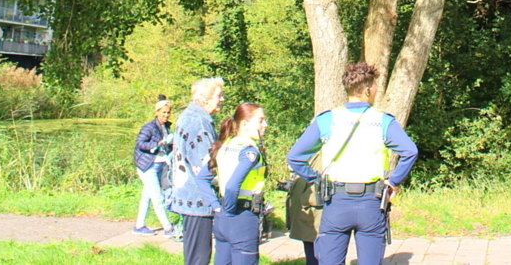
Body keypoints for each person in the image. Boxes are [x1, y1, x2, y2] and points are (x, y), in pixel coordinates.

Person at [286, 63, 418, 265]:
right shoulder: (383, 121)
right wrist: (393, 182)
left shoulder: (328, 119)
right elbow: (410, 152)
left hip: (336, 201)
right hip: (371, 203)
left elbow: (295, 157)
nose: (375, 91)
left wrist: (316, 179)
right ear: (366, 90)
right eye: (374, 87)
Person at [196, 103, 269, 265]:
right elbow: (231, 185)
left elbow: (201, 179)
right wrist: (229, 212)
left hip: (222, 218)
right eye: (261, 120)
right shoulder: (249, 150)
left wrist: (217, 207)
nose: (265, 125)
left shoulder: (226, 144)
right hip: (242, 217)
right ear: (245, 124)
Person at [169, 77, 225, 265]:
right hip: (197, 198)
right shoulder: (199, 122)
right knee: (199, 257)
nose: (222, 99)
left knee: (195, 254)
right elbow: (206, 165)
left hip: (188, 193)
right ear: (205, 98)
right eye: (219, 95)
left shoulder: (189, 116)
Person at [133, 95, 175, 236]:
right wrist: (156, 144)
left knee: (147, 196)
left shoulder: (167, 126)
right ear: (157, 112)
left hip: (159, 165)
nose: (166, 115)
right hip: (147, 166)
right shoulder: (149, 127)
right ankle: (168, 229)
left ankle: (139, 226)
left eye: (168, 112)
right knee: (158, 198)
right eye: (163, 112)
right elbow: (140, 143)